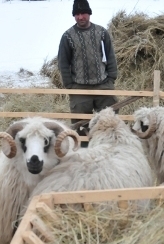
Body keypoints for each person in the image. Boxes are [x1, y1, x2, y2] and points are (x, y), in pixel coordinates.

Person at [58, 0, 118, 142]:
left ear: (89, 13)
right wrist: (70, 85)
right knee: (80, 125)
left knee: (110, 119)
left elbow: (110, 55)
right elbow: (63, 62)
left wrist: (111, 78)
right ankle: (83, 152)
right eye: (77, 14)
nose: (80, 17)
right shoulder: (67, 36)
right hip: (79, 87)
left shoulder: (101, 32)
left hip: (102, 84)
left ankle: (108, 147)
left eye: (83, 13)